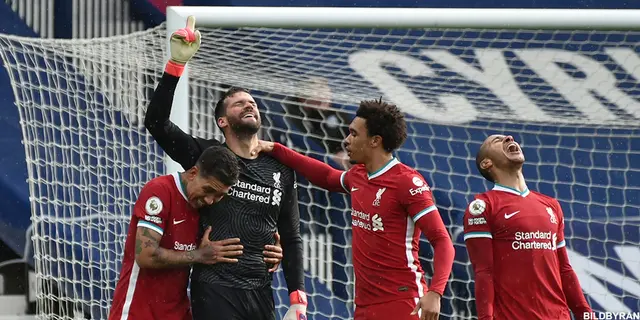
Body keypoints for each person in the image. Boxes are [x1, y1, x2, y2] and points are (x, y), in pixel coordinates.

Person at [143, 16, 307, 320]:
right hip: (215, 288)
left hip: (261, 291)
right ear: (222, 121)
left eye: (252, 102)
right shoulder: (205, 156)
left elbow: (291, 234)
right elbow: (156, 123)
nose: (249, 106)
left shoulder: (281, 169)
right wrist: (175, 66)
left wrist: (297, 297)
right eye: (239, 104)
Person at [251, 98, 455, 320]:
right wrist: (275, 148)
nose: (347, 141)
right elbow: (327, 175)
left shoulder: (407, 182)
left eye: (354, 134)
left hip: (403, 301)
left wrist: (435, 292)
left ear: (375, 141)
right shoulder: (358, 176)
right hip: (364, 305)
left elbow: (442, 240)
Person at [109, 145, 283, 319]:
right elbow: (145, 255)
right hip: (137, 311)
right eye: (208, 190)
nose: (210, 200)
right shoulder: (160, 191)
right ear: (193, 173)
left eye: (219, 195)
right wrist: (199, 255)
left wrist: (268, 250)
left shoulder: (206, 207)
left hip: (178, 312)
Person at [463, 134, 592, 319]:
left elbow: (564, 269)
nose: (509, 137)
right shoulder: (483, 206)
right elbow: (484, 271)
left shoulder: (551, 205)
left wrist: (585, 313)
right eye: (498, 141)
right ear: (486, 163)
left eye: (508, 137)